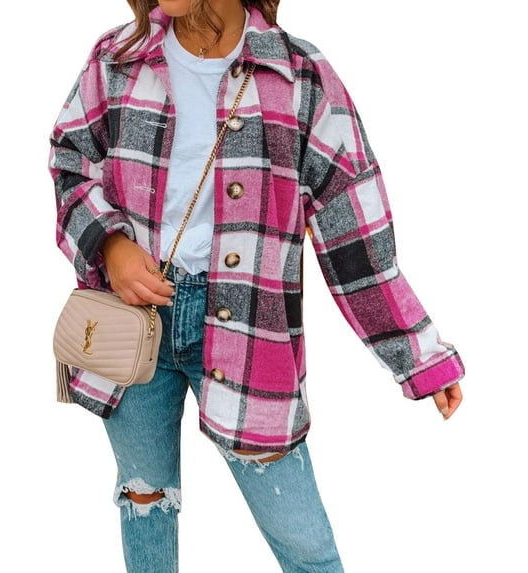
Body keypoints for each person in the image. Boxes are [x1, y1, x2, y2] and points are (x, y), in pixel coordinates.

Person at [49, 1, 465, 571]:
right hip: (132, 324)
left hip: (249, 332)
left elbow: (355, 235)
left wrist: (418, 355)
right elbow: (71, 159)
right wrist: (110, 245)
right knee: (145, 499)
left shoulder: (300, 78)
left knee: (304, 543)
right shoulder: (117, 58)